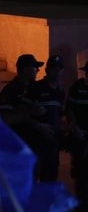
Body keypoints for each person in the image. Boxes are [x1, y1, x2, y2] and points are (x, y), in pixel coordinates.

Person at [23, 55, 65, 181]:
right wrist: (38, 126)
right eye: (54, 69)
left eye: (59, 69)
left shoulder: (60, 92)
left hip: (53, 144)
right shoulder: (36, 88)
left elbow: (59, 115)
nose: (57, 72)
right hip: (37, 143)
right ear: (47, 70)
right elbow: (24, 113)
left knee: (50, 180)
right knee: (34, 180)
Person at [66, 60, 88, 211]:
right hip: (79, 136)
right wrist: (75, 127)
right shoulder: (78, 87)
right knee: (80, 173)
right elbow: (70, 109)